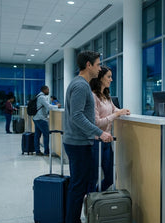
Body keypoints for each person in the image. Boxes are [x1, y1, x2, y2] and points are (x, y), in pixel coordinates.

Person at [63, 51, 113, 223]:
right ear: (88, 65)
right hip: (77, 144)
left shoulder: (80, 84)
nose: (99, 68)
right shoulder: (80, 86)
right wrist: (100, 132)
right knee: (78, 187)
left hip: (78, 142)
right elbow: (76, 116)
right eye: (98, 64)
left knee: (79, 185)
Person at [89, 65, 130, 192]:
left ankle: (95, 198)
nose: (111, 79)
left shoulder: (106, 96)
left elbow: (114, 109)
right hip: (95, 142)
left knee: (111, 177)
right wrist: (116, 114)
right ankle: (91, 202)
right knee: (93, 177)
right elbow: (96, 123)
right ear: (100, 78)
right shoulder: (93, 97)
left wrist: (122, 111)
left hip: (107, 141)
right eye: (109, 77)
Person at [33, 86, 61, 156]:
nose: (49, 91)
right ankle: (46, 152)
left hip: (36, 118)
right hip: (41, 119)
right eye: (48, 90)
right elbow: (48, 107)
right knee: (46, 135)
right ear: (44, 90)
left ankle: (37, 151)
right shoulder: (42, 97)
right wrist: (57, 106)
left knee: (37, 135)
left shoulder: (38, 96)